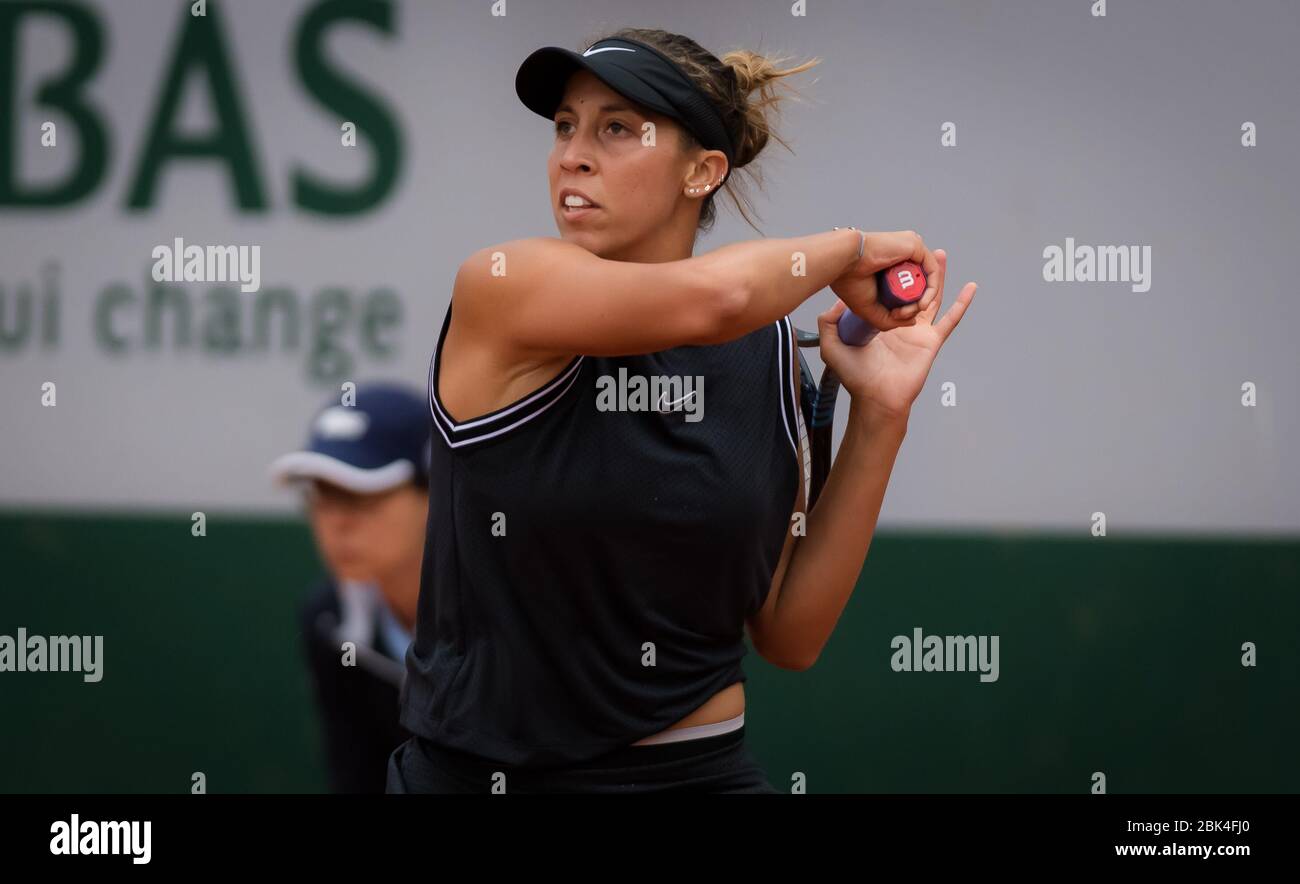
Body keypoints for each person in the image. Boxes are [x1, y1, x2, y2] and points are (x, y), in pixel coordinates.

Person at [388, 27, 976, 794]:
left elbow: (790, 632)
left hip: (698, 776)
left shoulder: (763, 351)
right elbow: (716, 298)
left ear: (702, 172)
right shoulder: (504, 286)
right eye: (566, 126)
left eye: (617, 128)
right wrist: (854, 246)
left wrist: (880, 415)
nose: (573, 153)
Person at [271, 382, 432, 793]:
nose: (335, 523)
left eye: (361, 493)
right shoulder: (327, 621)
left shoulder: (515, 618)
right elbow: (355, 779)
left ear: (436, 494)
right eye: (321, 495)